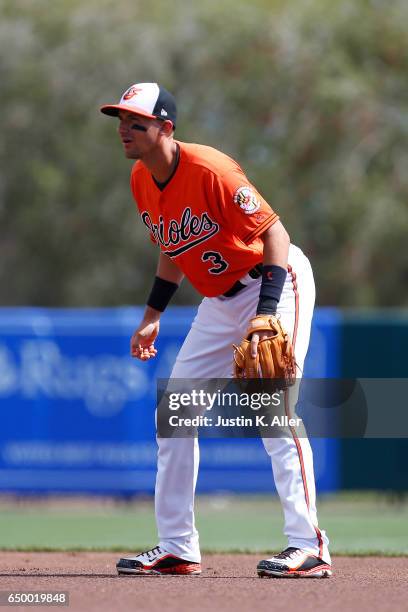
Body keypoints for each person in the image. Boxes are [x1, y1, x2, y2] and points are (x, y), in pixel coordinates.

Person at [100, 82, 331, 578]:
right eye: (120, 121)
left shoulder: (211, 169)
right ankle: (178, 545)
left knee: (273, 410)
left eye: (134, 123)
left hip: (274, 280)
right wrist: (153, 314)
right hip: (219, 299)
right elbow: (173, 247)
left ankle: (309, 545)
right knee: (175, 412)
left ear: (165, 127)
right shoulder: (142, 178)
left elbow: (276, 235)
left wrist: (267, 312)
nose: (124, 130)